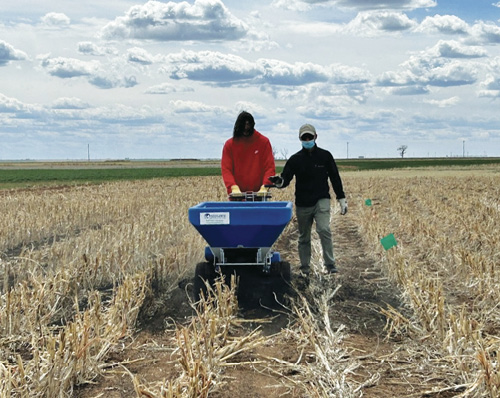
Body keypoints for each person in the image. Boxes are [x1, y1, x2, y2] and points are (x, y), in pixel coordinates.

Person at [269, 123, 347, 274]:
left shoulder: (325, 156)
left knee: (324, 229)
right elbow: (285, 179)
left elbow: (335, 178)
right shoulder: (295, 159)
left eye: (309, 137)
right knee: (304, 236)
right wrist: (279, 182)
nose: (307, 139)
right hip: (303, 203)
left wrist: (341, 198)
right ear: (300, 139)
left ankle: (330, 265)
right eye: (304, 137)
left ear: (315, 137)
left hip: (321, 199)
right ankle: (305, 267)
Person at [221, 111, 275, 198]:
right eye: (243, 127)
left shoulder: (263, 142)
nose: (246, 129)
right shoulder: (230, 145)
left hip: (259, 197)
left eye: (248, 126)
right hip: (237, 198)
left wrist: (265, 186)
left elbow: (269, 167)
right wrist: (233, 187)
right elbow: (226, 169)